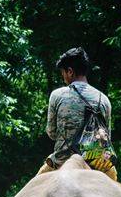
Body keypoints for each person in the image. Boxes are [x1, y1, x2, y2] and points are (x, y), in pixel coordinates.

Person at [39, 47, 117, 180]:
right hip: (96, 164)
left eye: (63, 72)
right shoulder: (103, 99)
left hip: (61, 161)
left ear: (70, 71)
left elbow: (52, 133)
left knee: (33, 192)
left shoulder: (57, 95)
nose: (63, 77)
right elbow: (106, 137)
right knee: (116, 190)